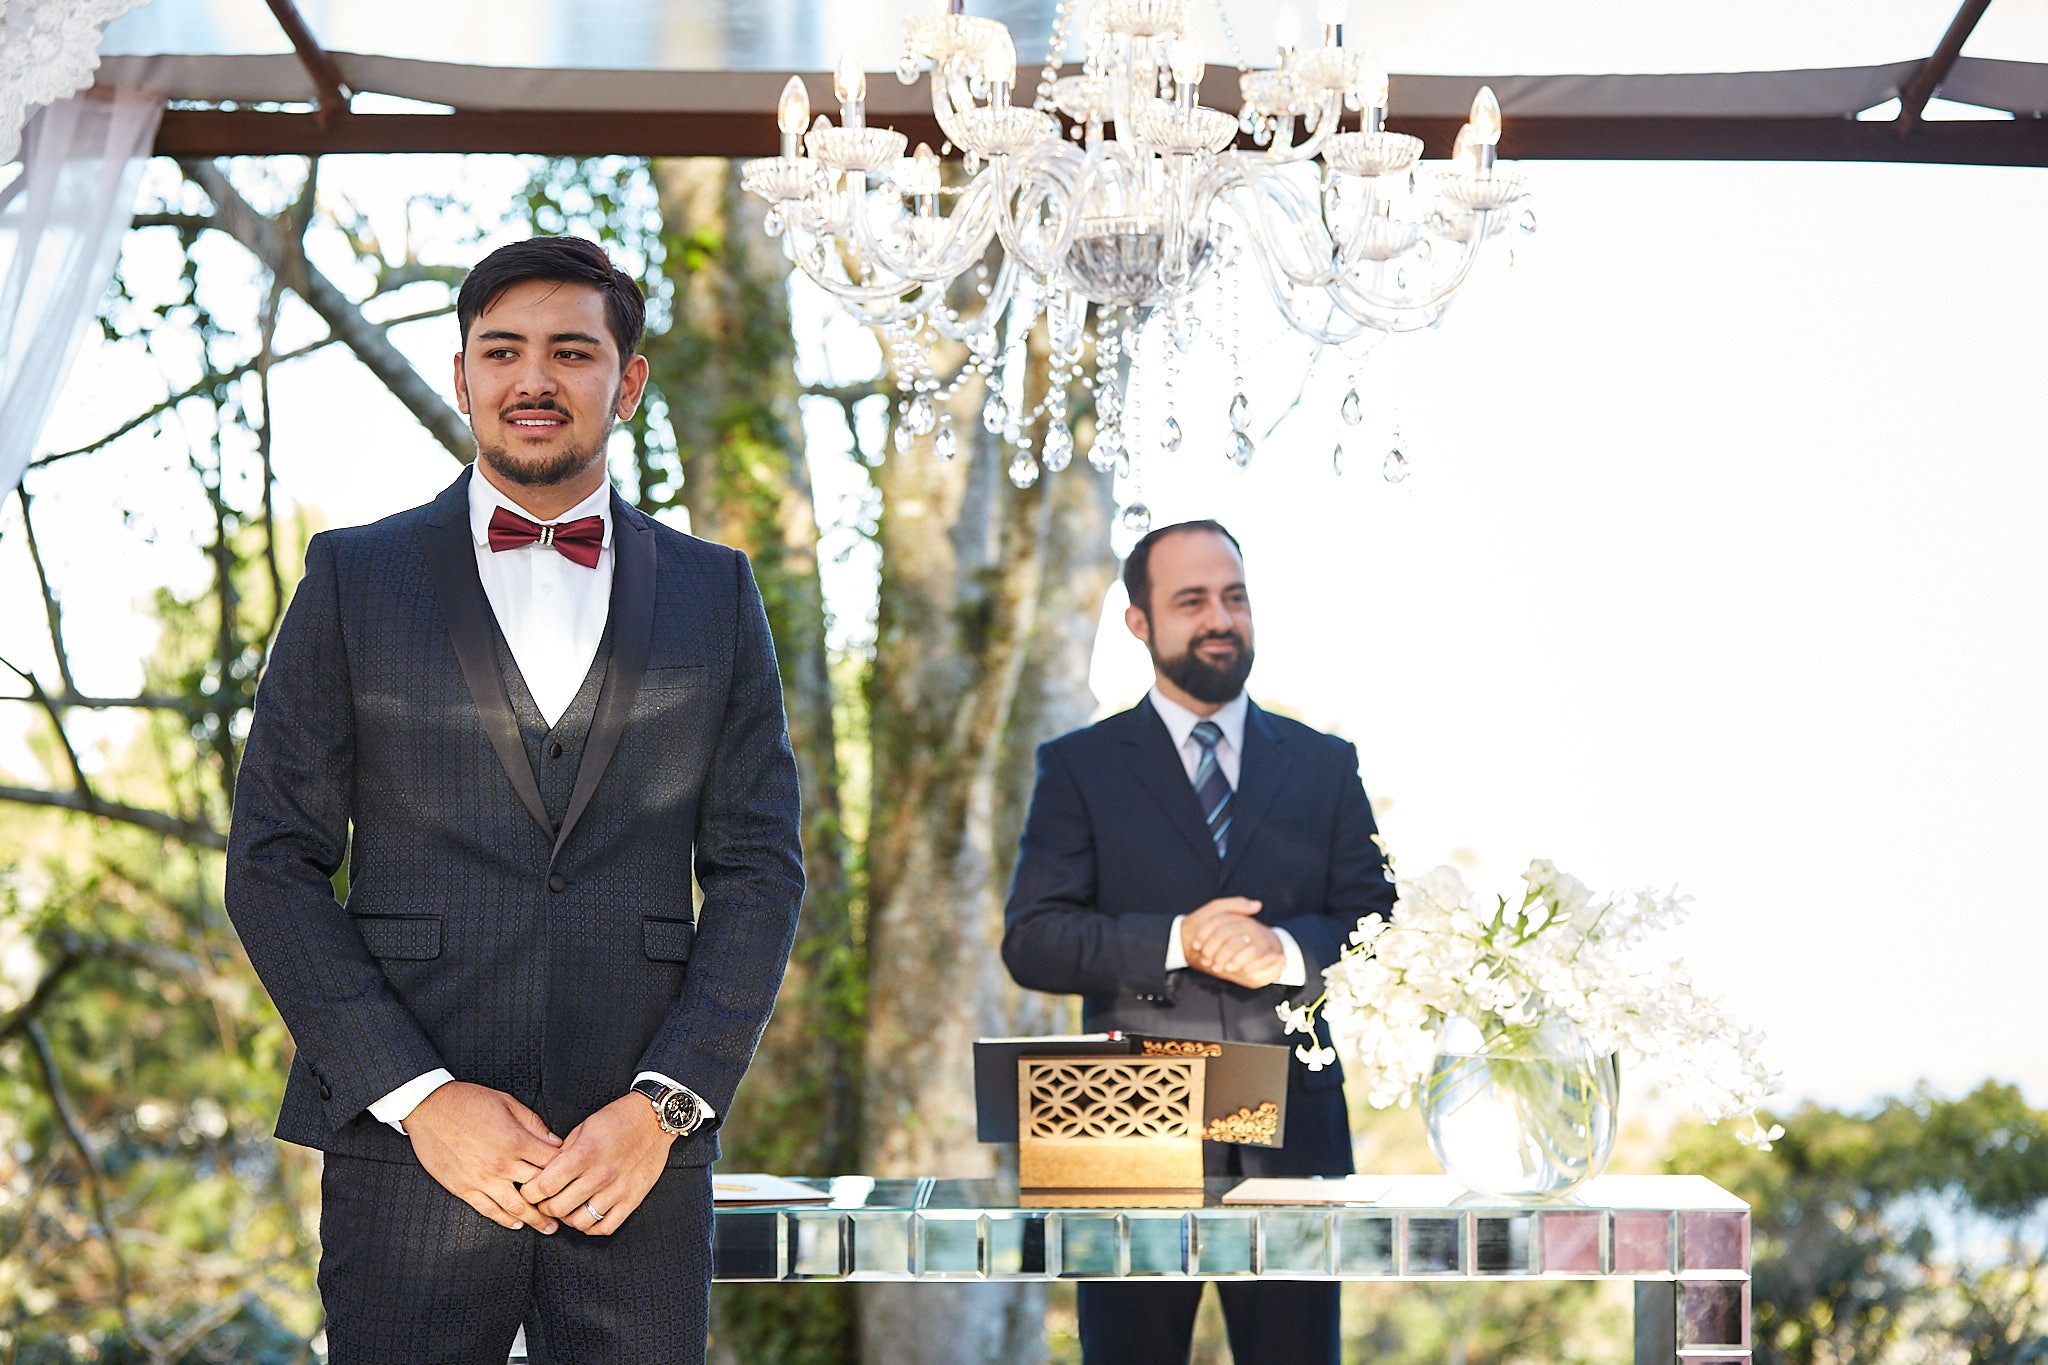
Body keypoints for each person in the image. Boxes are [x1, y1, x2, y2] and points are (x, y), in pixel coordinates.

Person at [225, 236, 803, 1365]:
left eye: (570, 351)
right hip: (409, 1159)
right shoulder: (351, 578)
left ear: (626, 380)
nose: (532, 380)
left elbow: (759, 869)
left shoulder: (716, 592)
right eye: (502, 351)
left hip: (630, 1159)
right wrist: (419, 1096)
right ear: (462, 376)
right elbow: (271, 864)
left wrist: (666, 1104)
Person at [1002, 519, 1395, 1365]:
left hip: (1296, 1123)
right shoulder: (1077, 765)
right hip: (1116, 1115)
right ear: (1139, 622)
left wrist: (1285, 953)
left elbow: (1382, 930)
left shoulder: (1327, 764)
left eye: (1235, 596)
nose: (1220, 617)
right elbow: (1032, 939)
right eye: (1192, 600)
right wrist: (1181, 938)